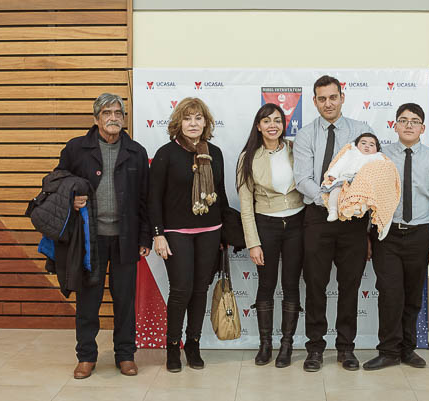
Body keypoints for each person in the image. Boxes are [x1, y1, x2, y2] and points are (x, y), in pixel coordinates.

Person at [56, 93, 151, 379]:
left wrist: (144, 238)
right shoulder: (76, 149)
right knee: (88, 301)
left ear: (124, 118)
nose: (113, 118)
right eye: (107, 113)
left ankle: (126, 355)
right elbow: (56, 182)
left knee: (125, 301)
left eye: (118, 113)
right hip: (89, 240)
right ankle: (86, 356)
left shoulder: (136, 151)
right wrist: (71, 198)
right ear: (96, 118)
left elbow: (145, 199)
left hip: (126, 238)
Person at [293, 75, 374, 372]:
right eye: (322, 99)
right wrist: (330, 201)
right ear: (314, 101)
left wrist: (349, 203)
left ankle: (346, 348)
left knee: (350, 285)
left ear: (342, 97)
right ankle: (314, 348)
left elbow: (371, 172)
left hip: (353, 220)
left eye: (333, 97)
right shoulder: (305, 135)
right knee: (315, 285)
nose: (328, 103)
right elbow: (302, 179)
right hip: (318, 216)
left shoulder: (361, 131)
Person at [363, 103, 429, 371]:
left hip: (420, 235)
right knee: (390, 294)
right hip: (387, 234)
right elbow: (367, 197)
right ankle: (388, 351)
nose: (409, 125)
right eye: (403, 120)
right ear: (395, 126)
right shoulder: (380, 158)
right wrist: (366, 236)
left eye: (414, 121)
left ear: (422, 128)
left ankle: (408, 349)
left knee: (413, 296)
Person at [148, 97, 228, 373]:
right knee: (181, 290)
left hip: (210, 232)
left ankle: (193, 344)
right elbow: (153, 198)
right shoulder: (166, 154)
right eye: (187, 118)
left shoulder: (215, 153)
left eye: (198, 118)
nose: (193, 123)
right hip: (176, 233)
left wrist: (225, 235)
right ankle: (173, 346)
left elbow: (221, 194)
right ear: (178, 123)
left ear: (206, 123)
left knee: (200, 289)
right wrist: (157, 234)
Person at [237, 103, 305, 368]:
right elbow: (245, 205)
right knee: (266, 285)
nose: (272, 125)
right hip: (265, 225)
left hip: (297, 224)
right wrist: (253, 243)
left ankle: (286, 345)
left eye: (277, 120)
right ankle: (265, 345)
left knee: (291, 285)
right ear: (258, 126)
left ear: (284, 124)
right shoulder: (248, 157)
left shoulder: (295, 149)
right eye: (267, 121)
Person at [322, 132, 384, 222]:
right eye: (363, 143)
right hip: (345, 179)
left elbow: (380, 171)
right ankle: (333, 211)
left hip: (362, 182)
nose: (367, 146)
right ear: (356, 145)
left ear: (377, 149)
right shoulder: (350, 153)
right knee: (335, 191)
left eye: (371, 145)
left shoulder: (377, 158)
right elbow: (340, 164)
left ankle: (359, 208)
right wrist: (333, 174)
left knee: (366, 196)